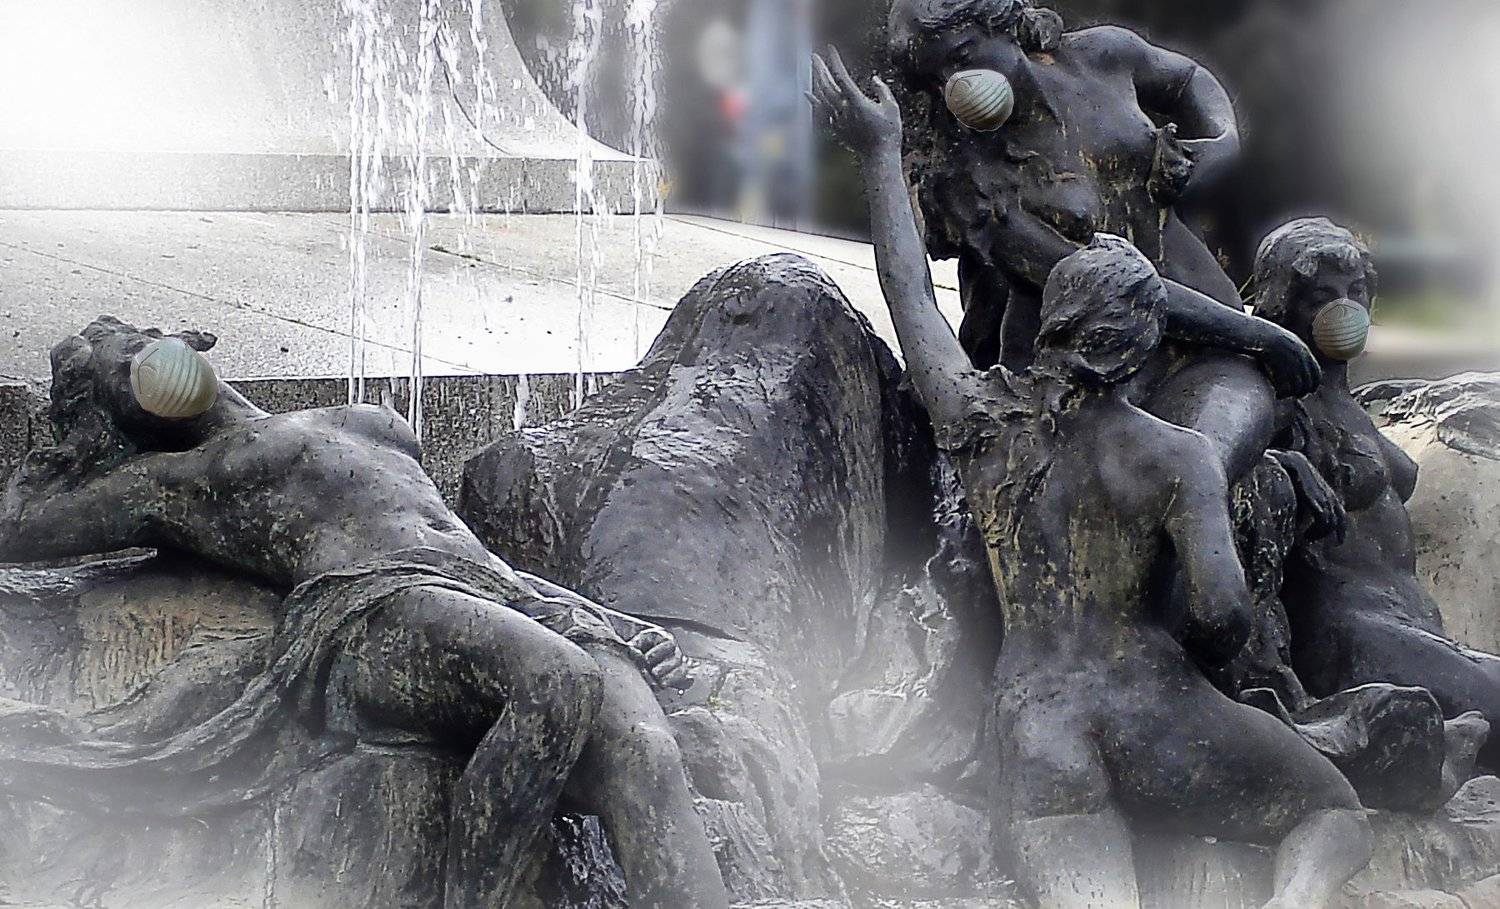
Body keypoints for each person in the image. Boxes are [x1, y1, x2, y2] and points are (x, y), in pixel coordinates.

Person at [811, 56, 1373, 908]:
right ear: (1147, 340)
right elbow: (1223, 616)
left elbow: (910, 294)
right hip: (1155, 710)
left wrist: (880, 149)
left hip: (1039, 726)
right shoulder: (1179, 458)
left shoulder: (983, 423)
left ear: (1055, 322)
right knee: (1334, 812)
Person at [0, 316, 730, 909]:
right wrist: (67, 447)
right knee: (557, 684)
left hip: (500, 592)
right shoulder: (171, 481)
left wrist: (601, 616)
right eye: (121, 366)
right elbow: (17, 529)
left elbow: (457, 539)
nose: (143, 354)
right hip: (374, 609)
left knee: (645, 753)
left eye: (140, 339)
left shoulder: (362, 422)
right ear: (123, 415)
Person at [884, 0, 1319, 486]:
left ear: (1000, 24)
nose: (954, 85)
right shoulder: (969, 181)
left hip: (1206, 347)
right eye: (936, 79)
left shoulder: (1100, 56)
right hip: (1088, 382)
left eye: (962, 56)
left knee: (1210, 456)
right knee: (1176, 484)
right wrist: (1260, 335)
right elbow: (1116, 288)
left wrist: (1222, 141)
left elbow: (1186, 78)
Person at [1255, 218, 1500, 770]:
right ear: (1283, 305)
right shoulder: (1275, 399)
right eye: (1322, 296)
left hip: (1412, 626)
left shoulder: (1347, 403)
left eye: (1356, 291)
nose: (1345, 308)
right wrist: (1287, 463)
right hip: (1347, 636)